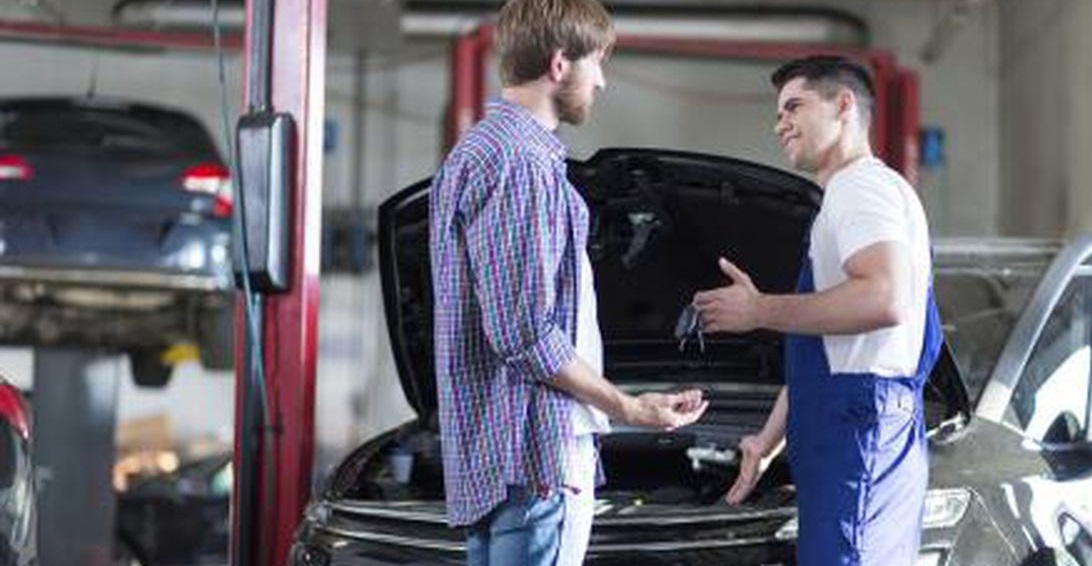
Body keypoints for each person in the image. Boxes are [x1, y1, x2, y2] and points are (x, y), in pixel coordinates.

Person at [428, 0, 708, 564]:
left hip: (497, 463)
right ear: (559, 64)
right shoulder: (522, 164)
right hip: (534, 460)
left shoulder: (477, 153)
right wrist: (629, 409)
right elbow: (525, 333)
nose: (601, 81)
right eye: (596, 62)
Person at [693, 55, 942, 566]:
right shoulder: (864, 192)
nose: (779, 123)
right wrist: (767, 440)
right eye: (778, 112)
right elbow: (832, 350)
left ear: (844, 105)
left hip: (858, 429)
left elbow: (885, 298)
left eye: (794, 106)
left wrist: (759, 310)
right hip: (858, 424)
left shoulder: (859, 189)